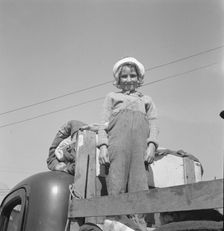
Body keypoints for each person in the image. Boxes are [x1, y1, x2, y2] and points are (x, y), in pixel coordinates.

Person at [97, 57, 159, 230]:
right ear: (118, 80)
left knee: (140, 186)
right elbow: (103, 124)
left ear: (139, 79)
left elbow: (154, 124)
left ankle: (139, 225)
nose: (129, 79)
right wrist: (103, 146)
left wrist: (152, 146)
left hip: (140, 150)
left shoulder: (146, 100)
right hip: (117, 148)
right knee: (116, 183)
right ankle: (115, 223)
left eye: (133, 76)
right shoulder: (112, 97)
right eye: (124, 77)